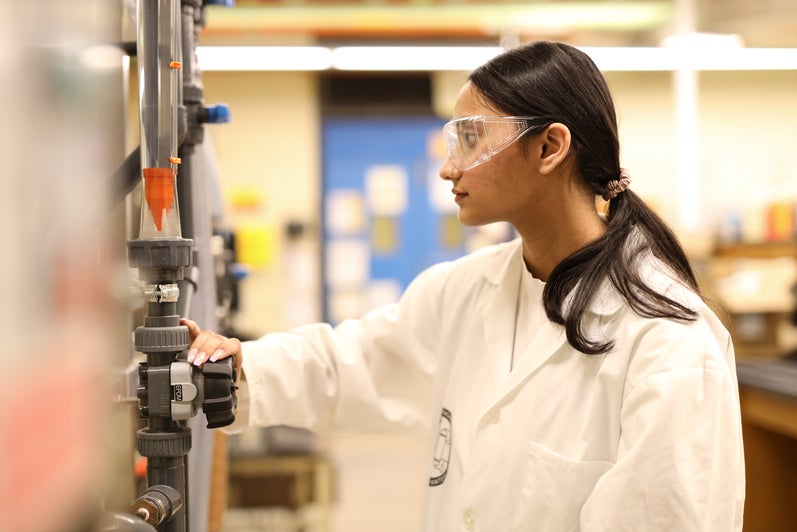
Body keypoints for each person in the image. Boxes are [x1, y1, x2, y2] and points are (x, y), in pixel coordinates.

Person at [182, 41, 745, 531]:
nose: (450, 168)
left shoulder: (670, 345)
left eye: (471, 139)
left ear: (549, 147)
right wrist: (239, 369)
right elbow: (354, 362)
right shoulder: (466, 290)